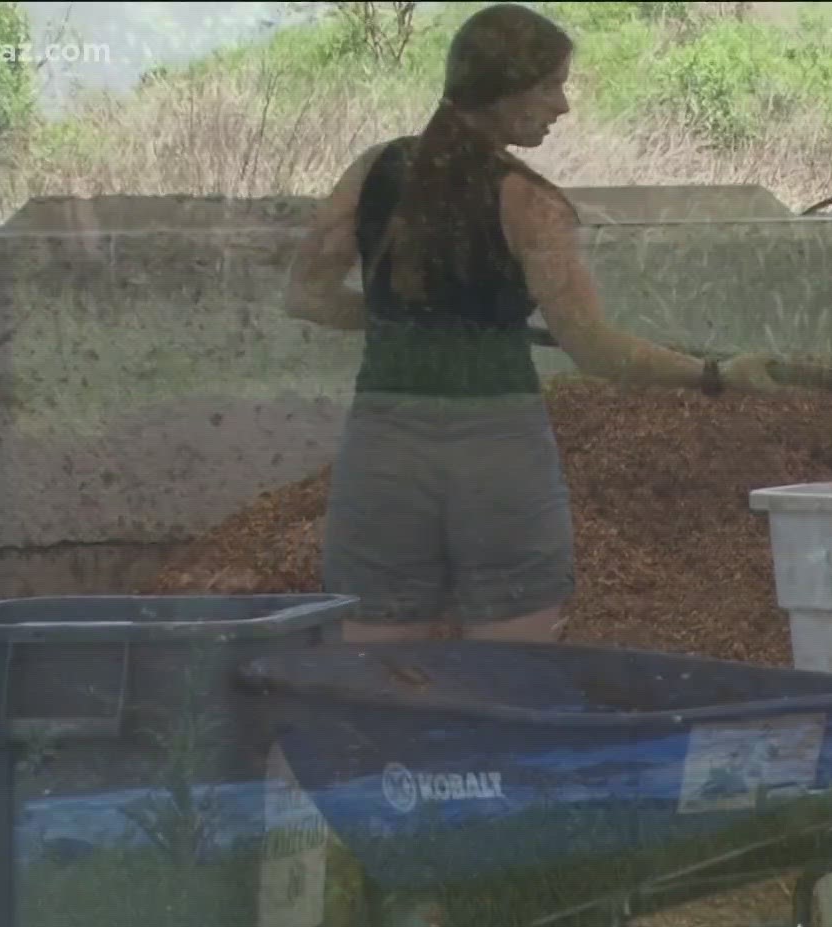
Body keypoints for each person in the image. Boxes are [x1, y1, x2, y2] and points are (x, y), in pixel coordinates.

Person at [284, 2, 776, 646]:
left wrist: (405, 324)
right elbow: (594, 349)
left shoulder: (373, 170)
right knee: (512, 661)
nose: (562, 106)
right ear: (503, 92)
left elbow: (308, 296)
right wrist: (714, 373)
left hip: (384, 449)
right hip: (497, 448)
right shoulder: (531, 202)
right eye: (550, 86)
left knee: (380, 658)